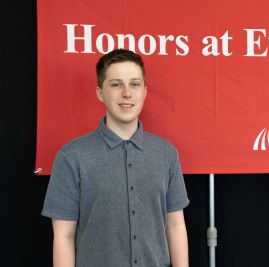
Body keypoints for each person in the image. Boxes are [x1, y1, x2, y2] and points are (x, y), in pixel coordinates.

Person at [42, 49, 190, 267]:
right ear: (100, 92)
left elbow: (175, 225)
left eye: (135, 84)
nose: (127, 93)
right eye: (116, 84)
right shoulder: (71, 156)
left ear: (145, 92)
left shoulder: (166, 153)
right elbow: (64, 236)